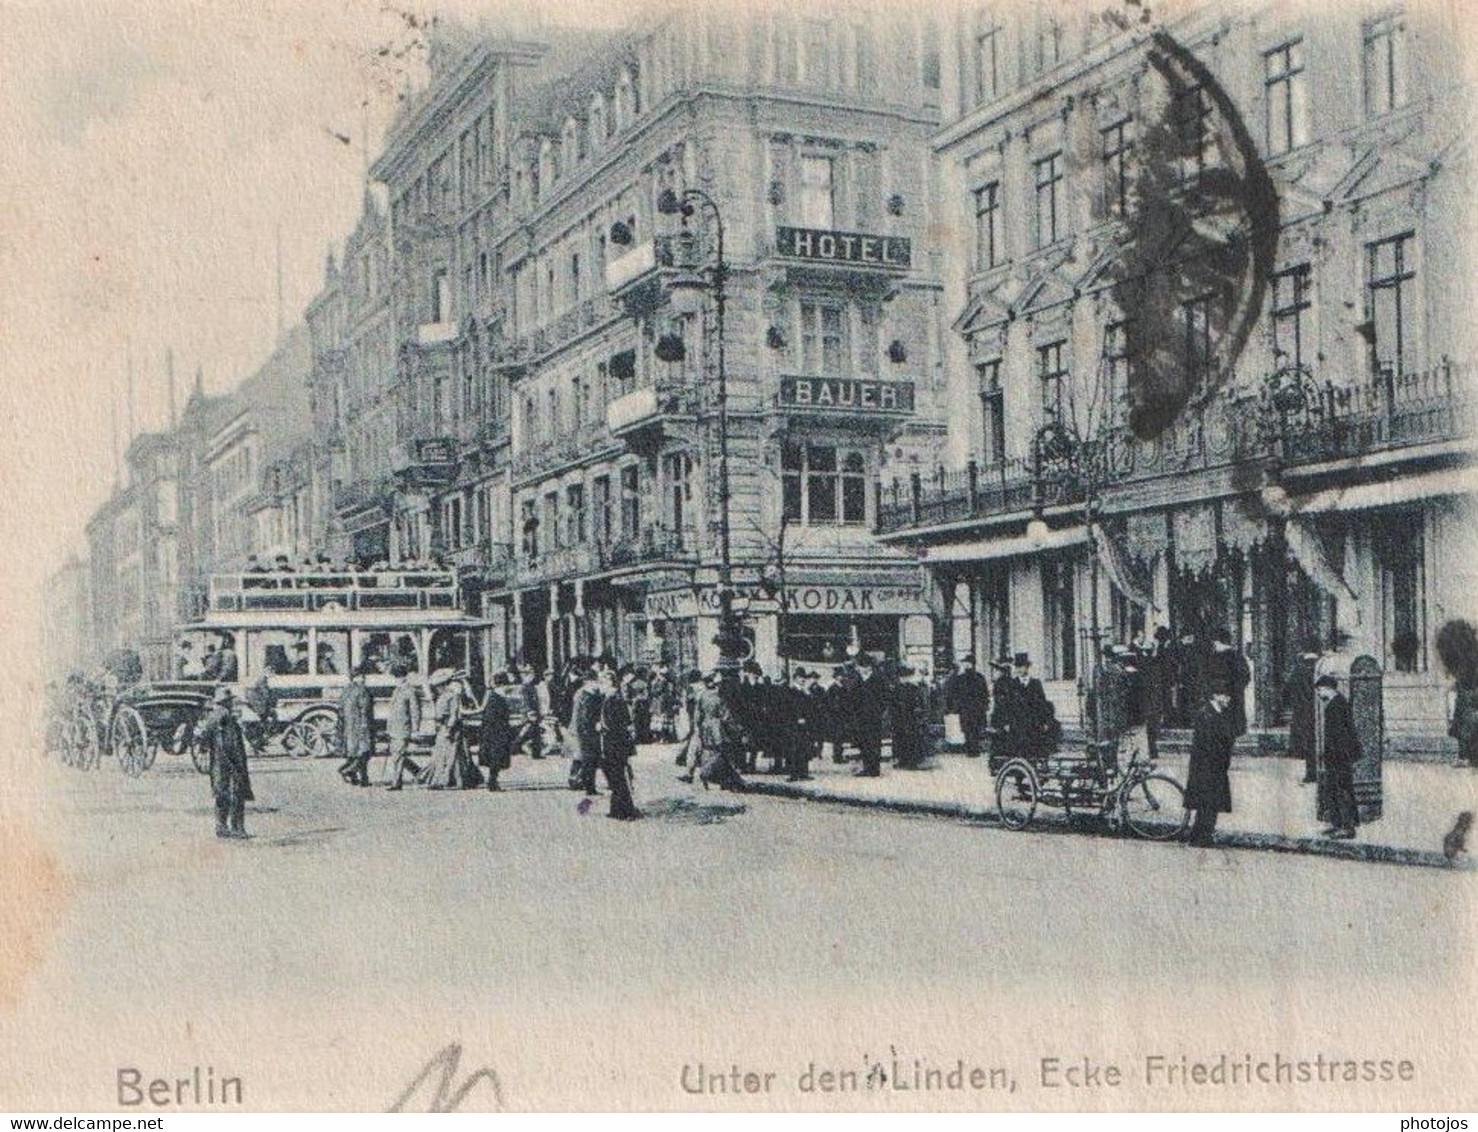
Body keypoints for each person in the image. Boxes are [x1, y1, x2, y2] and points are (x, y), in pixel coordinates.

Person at [197, 685, 253, 839]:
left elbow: (203, 738)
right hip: (231, 758)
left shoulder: (215, 716)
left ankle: (222, 826)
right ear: (226, 702)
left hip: (220, 759)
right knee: (237, 792)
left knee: (222, 791)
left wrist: (203, 748)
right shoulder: (225, 716)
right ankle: (237, 828)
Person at [1184, 689, 1235, 847]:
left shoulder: (1218, 712)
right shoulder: (1206, 714)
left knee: (1211, 803)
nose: (1228, 698)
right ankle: (1200, 837)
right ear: (1215, 696)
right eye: (1224, 695)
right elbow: (1208, 743)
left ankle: (1203, 834)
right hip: (1207, 766)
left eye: (1228, 695)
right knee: (1206, 802)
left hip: (1215, 765)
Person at [1315, 674, 1360, 839]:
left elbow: (1340, 734)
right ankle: (1336, 824)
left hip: (1339, 755)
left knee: (1342, 789)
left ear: (1328, 688)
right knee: (1334, 789)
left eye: (1320, 690)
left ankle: (1347, 827)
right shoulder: (1337, 702)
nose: (1319, 694)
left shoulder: (1336, 705)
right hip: (1336, 754)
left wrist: (1334, 754)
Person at [422, 669, 482, 789]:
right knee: (442, 755)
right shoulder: (442, 696)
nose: (437, 688)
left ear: (444, 684)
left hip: (450, 728)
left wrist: (449, 728)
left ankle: (444, 780)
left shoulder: (452, 696)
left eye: (438, 685)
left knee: (450, 756)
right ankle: (443, 779)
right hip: (442, 727)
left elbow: (454, 714)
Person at [597, 665, 642, 820]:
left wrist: (602, 727)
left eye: (602, 681)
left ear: (610, 682)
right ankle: (617, 810)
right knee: (617, 777)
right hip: (616, 743)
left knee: (617, 777)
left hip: (615, 744)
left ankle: (626, 811)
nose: (600, 685)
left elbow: (615, 724)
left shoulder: (613, 699)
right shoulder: (612, 698)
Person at [696, 671, 748, 792]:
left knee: (708, 752)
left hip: (705, 727)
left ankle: (709, 777)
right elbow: (727, 716)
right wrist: (739, 730)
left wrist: (699, 728)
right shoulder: (719, 699)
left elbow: (697, 716)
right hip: (717, 728)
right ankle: (723, 779)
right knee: (724, 753)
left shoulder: (702, 696)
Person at [1283, 647, 1322, 784]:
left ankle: (1311, 773)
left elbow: (1286, 692)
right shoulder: (1321, 670)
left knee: (1309, 744)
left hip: (1302, 713)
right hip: (1319, 712)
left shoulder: (1297, 672)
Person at [384, 660, 423, 790]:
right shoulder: (397, 691)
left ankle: (396, 783)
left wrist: (415, 730)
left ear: (403, 677)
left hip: (403, 728)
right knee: (398, 755)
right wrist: (388, 728)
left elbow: (415, 712)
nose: (396, 680)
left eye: (398, 677)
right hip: (394, 728)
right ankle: (418, 772)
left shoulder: (410, 691)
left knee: (398, 756)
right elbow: (392, 711)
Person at [944, 656, 991, 758]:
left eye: (968, 663)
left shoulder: (973, 678)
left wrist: (984, 705)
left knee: (972, 729)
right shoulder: (973, 677)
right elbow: (954, 693)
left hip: (972, 708)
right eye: (965, 663)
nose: (966, 665)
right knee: (968, 729)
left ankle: (973, 749)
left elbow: (984, 693)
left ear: (972, 664)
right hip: (969, 708)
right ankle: (971, 749)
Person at [568, 665, 604, 795]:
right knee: (586, 759)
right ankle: (585, 787)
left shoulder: (586, 693)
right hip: (585, 732)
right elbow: (583, 716)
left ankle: (582, 783)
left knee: (586, 759)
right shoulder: (584, 695)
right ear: (588, 681)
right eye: (595, 681)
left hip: (584, 731)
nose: (597, 683)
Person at [850, 654, 887, 777]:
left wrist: (879, 711)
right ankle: (867, 767)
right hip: (861, 717)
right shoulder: (857, 680)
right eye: (861, 666)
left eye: (865, 667)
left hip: (874, 716)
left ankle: (875, 769)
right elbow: (853, 699)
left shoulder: (878, 679)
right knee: (864, 742)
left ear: (870, 667)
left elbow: (884, 698)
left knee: (874, 742)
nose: (862, 669)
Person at [338, 663, 374, 786]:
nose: (364, 678)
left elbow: (341, 709)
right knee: (365, 753)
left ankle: (359, 779)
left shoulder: (346, 690)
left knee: (352, 754)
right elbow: (365, 709)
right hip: (361, 726)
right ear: (358, 677)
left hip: (349, 727)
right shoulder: (362, 690)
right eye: (362, 676)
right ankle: (348, 771)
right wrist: (365, 725)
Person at [479, 672, 515, 792]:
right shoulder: (496, 698)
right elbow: (494, 717)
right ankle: (492, 783)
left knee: (496, 759)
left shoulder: (494, 697)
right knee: (496, 758)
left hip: (495, 732)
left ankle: (493, 781)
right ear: (503, 685)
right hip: (496, 733)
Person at [891, 666, 929, 770]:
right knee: (903, 739)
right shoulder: (900, 689)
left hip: (909, 718)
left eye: (906, 677)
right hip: (903, 718)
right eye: (903, 677)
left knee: (909, 739)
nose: (904, 679)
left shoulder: (911, 688)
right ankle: (904, 760)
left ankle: (910, 761)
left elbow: (919, 704)